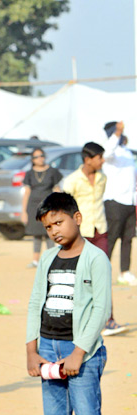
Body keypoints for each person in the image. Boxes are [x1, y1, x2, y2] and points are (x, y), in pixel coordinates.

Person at [23, 192, 118, 415]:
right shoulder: (48, 259)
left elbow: (102, 308)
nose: (54, 231)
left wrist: (79, 352)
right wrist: (31, 349)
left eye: (59, 222)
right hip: (48, 348)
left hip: (83, 353)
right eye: (49, 227)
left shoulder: (95, 259)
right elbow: (37, 301)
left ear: (77, 218)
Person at [63, 142, 126, 336]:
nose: (102, 161)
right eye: (99, 157)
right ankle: (73, 320)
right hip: (80, 234)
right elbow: (64, 209)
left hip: (100, 231)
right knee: (77, 276)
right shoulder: (72, 181)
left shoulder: (102, 178)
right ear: (88, 159)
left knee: (103, 274)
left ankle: (108, 320)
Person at [103, 120, 137, 286]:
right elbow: (108, 152)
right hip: (115, 201)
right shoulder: (111, 152)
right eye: (118, 133)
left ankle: (124, 272)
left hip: (129, 201)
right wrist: (116, 134)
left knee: (128, 238)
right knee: (111, 238)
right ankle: (102, 271)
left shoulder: (127, 153)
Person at [21, 147, 62, 266]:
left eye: (41, 156)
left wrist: (60, 205)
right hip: (33, 206)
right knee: (36, 233)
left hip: (49, 206)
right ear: (32, 159)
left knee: (50, 232)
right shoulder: (29, 173)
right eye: (36, 157)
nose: (40, 159)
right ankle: (35, 260)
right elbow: (26, 192)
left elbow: (57, 188)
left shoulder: (52, 171)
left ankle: (51, 259)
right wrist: (23, 211)